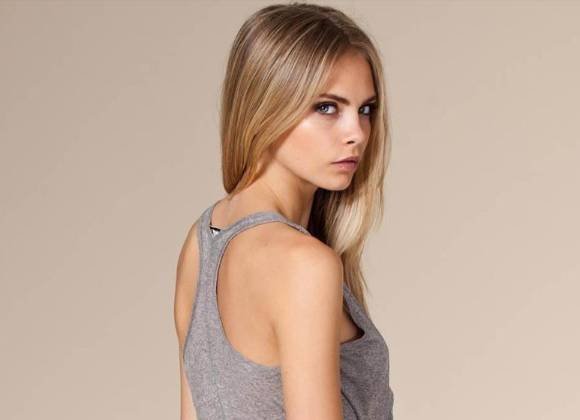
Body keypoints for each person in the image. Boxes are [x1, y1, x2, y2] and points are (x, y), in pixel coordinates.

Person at [174, 2, 394, 419]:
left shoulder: (201, 242)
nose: (357, 133)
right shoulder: (306, 265)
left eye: (365, 109)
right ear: (267, 105)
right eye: (326, 107)